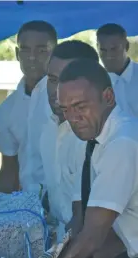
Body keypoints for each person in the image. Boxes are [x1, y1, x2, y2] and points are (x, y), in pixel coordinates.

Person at [0, 59, 138, 258]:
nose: (73, 117)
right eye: (65, 109)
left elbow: (91, 239)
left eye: (81, 106)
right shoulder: (102, 140)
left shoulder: (122, 143)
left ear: (108, 96)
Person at [40, 41, 98, 242]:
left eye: (67, 81)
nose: (56, 91)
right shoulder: (48, 128)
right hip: (62, 246)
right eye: (52, 80)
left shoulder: (100, 136)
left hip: (96, 254)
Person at [0, 21, 57, 194]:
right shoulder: (7, 108)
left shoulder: (67, 101)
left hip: (65, 207)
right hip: (25, 207)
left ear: (54, 53)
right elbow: (8, 168)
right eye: (25, 49)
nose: (32, 57)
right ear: (17, 53)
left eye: (41, 50)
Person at [97, 23, 138, 117]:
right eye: (103, 50)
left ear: (126, 46)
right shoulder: (96, 83)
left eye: (114, 49)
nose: (108, 56)